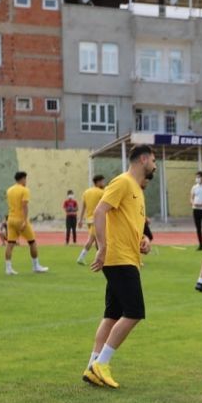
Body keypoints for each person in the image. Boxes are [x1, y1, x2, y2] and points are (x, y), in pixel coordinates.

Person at [83, 145, 157, 389]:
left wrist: (142, 241)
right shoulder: (123, 182)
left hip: (128, 256)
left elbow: (128, 224)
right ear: (143, 159)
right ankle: (101, 364)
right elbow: (100, 210)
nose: (155, 166)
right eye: (154, 160)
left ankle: (92, 365)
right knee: (134, 312)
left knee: (112, 315)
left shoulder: (137, 189)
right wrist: (102, 247)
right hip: (118, 258)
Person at [4, 171, 48, 275]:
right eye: (25, 179)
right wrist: (24, 221)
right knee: (32, 242)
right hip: (20, 219)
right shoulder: (24, 190)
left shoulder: (9, 190)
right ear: (23, 179)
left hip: (10, 219)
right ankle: (36, 266)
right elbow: (24, 206)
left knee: (10, 243)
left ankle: (8, 268)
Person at [77, 174, 106, 265]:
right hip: (96, 219)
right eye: (102, 181)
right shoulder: (101, 192)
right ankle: (81, 257)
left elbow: (83, 207)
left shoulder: (86, 192)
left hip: (89, 220)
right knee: (92, 239)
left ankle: (101, 258)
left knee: (98, 240)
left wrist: (80, 219)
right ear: (98, 182)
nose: (103, 183)